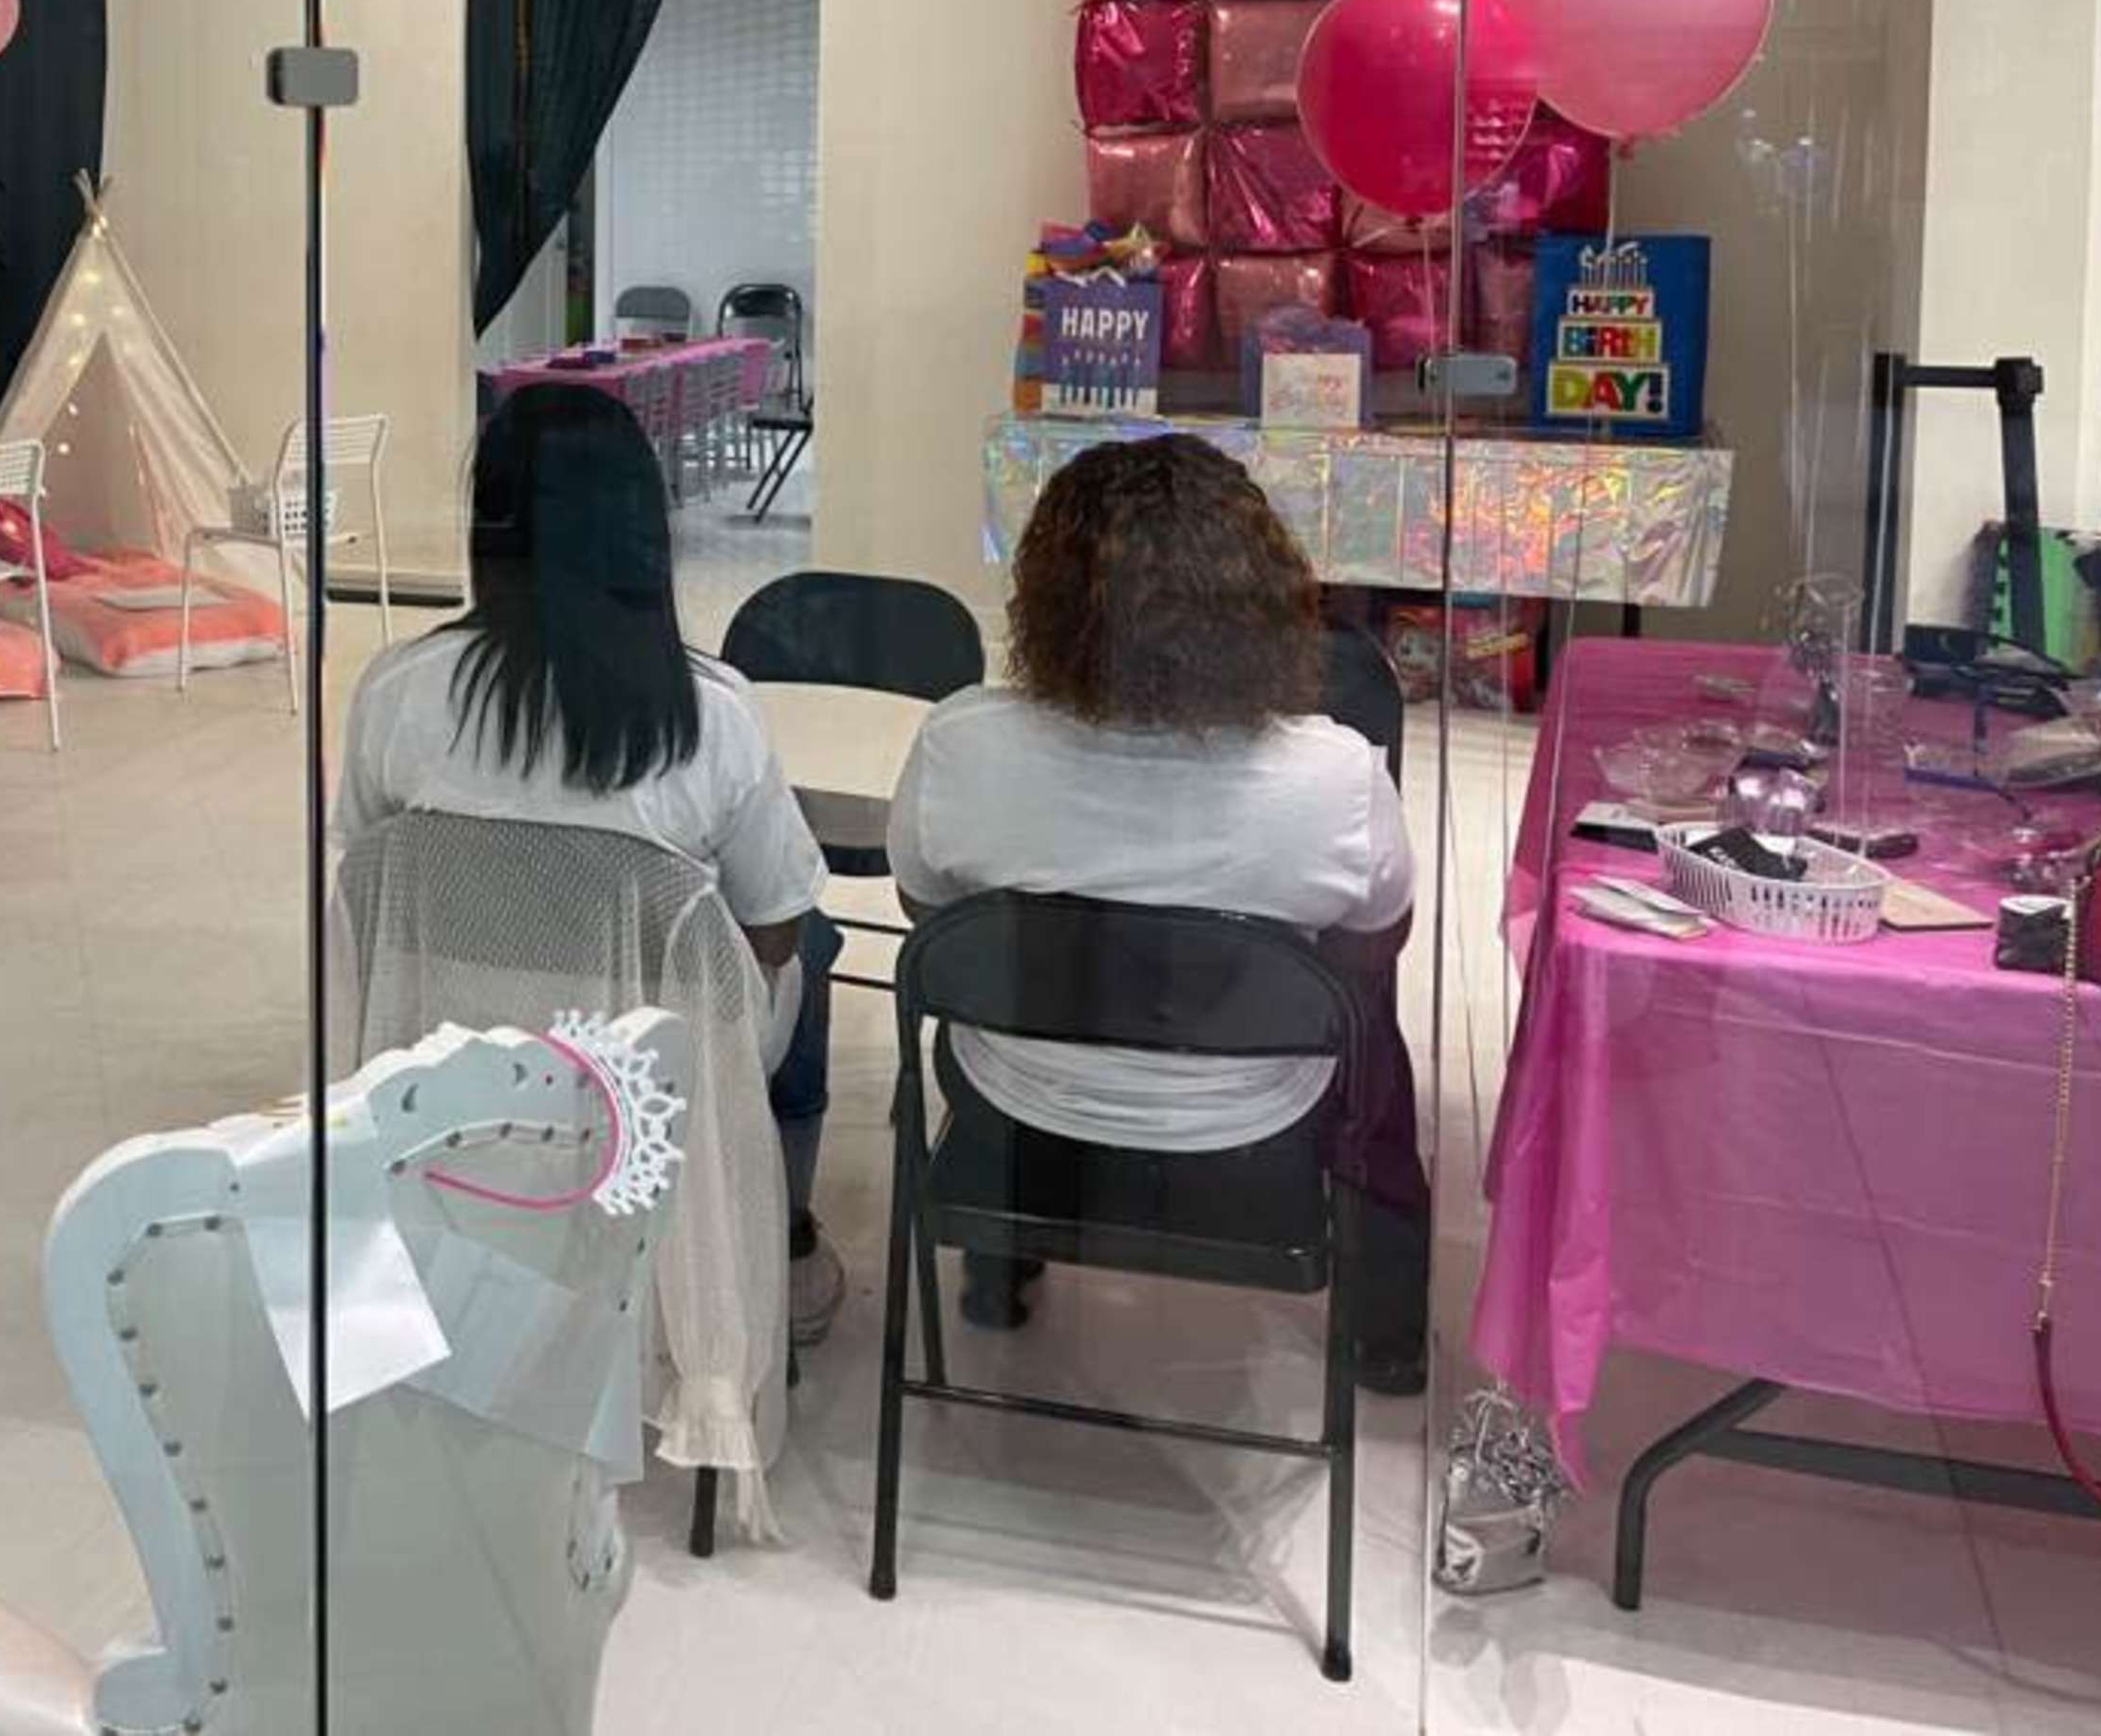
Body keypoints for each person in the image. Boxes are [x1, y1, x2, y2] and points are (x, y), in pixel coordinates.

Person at [887, 432, 1432, 1390]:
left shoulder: (964, 741)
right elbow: (1377, 941)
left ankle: (996, 1269)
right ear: (1261, 602)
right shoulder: (1332, 774)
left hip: (1021, 1117)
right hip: (1256, 1134)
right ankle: (1387, 1331)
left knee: (996, 967)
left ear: (1048, 601)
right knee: (1366, 1019)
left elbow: (926, 911)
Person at [333, 382, 845, 1343]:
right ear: (644, 530)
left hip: (446, 1041)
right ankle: (778, 1236)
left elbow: (368, 873)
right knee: (814, 937)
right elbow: (771, 926)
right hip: (647, 1066)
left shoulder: (397, 692)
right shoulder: (709, 712)